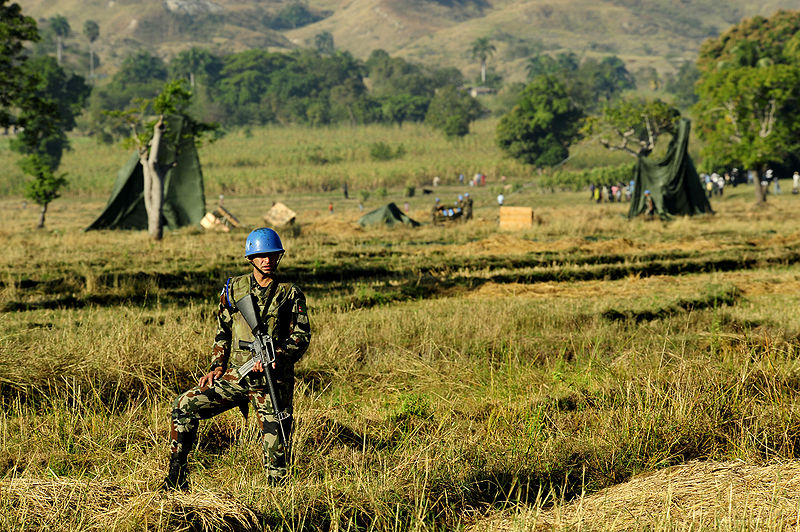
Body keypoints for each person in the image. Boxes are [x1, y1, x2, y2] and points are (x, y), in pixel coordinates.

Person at [164, 228, 312, 490]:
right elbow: (222, 331)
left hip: (272, 382)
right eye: (262, 255)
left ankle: (277, 499)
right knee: (184, 405)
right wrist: (217, 366)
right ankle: (176, 478)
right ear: (251, 258)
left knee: (278, 456)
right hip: (238, 375)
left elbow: (301, 336)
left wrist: (277, 354)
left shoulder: (290, 293)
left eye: (273, 255)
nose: (268, 260)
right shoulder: (234, 289)